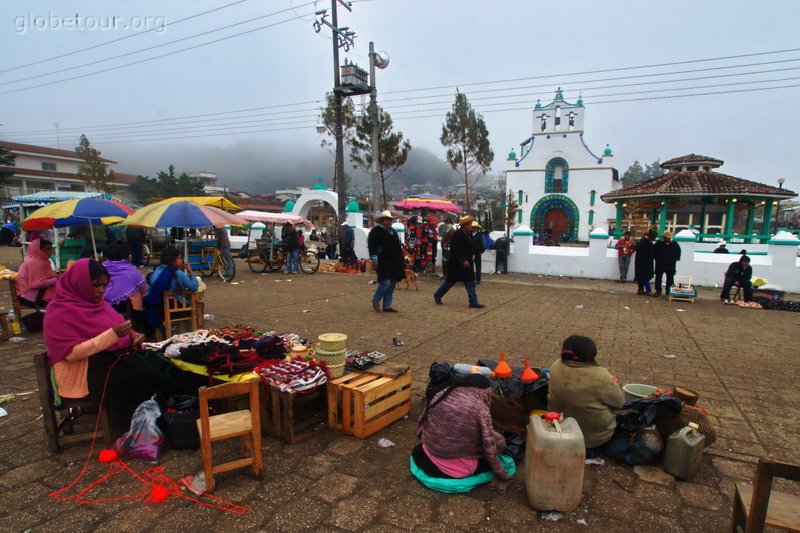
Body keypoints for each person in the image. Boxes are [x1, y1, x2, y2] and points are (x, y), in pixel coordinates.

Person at [43, 258, 199, 433]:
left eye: (104, 285)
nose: (100, 291)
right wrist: (113, 335)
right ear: (79, 284)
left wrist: (132, 335)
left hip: (110, 360)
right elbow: (71, 353)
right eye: (95, 285)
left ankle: (192, 403)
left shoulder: (98, 304)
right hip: (84, 371)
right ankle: (146, 427)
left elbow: (112, 329)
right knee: (143, 376)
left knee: (162, 362)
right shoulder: (59, 312)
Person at [414, 373, 513, 492]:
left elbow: (422, 420)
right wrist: (501, 473)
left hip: (428, 452)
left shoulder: (441, 393)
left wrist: (420, 436)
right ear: (485, 391)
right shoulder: (479, 408)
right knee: (499, 442)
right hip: (456, 467)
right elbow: (489, 447)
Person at [547, 335, 624, 450]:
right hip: (597, 439)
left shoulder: (556, 367)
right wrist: (611, 384)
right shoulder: (601, 375)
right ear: (591, 355)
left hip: (563, 432)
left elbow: (555, 404)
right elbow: (619, 403)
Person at [433, 215, 484, 308]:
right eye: (470, 225)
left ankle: (473, 301)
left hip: (467, 263)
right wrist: (463, 260)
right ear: (465, 225)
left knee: (471, 282)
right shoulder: (457, 234)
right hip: (457, 264)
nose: (471, 227)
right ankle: (438, 295)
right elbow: (457, 249)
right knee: (450, 282)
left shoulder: (467, 234)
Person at [144, 248, 199, 330]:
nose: (181, 260)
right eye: (179, 258)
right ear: (173, 260)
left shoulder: (156, 271)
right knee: (195, 305)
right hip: (173, 310)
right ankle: (187, 331)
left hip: (156, 309)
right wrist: (191, 272)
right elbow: (193, 287)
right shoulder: (177, 273)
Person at [367, 210, 405, 313]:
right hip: (382, 260)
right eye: (386, 220)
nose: (388, 222)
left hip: (394, 261)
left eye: (389, 220)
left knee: (392, 283)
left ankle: (387, 305)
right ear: (381, 221)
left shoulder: (392, 231)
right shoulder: (376, 231)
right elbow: (372, 246)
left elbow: (397, 246)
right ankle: (376, 299)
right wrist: (374, 258)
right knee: (386, 282)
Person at [103, 243, 147, 329]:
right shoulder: (130, 271)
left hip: (104, 305)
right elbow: (144, 290)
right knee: (136, 295)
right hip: (126, 307)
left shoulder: (102, 268)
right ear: (125, 256)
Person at [16, 239, 58, 307]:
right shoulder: (35, 262)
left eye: (51, 249)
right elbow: (35, 284)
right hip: (29, 298)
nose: (50, 252)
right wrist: (57, 279)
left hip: (31, 294)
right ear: (38, 250)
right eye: (47, 249)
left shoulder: (39, 260)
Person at [653, 230, 681, 297]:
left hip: (670, 264)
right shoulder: (658, 244)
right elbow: (654, 252)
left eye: (669, 238)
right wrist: (657, 258)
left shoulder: (675, 244)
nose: (668, 239)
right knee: (658, 278)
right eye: (667, 238)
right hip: (660, 264)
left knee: (670, 278)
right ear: (663, 237)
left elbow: (678, 252)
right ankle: (658, 291)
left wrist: (675, 259)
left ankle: (668, 291)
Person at [634, 229, 656, 295]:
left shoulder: (641, 243)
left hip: (639, 263)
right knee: (646, 278)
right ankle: (648, 290)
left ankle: (640, 289)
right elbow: (652, 254)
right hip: (647, 264)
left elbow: (635, 248)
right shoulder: (649, 244)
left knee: (640, 277)